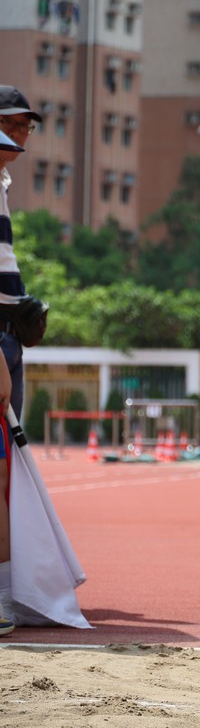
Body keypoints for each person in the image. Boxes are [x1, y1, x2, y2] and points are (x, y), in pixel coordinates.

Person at [0, 86, 42, 638]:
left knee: (7, 472)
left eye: (27, 125)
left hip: (9, 338)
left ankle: (11, 591)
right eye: (12, 123)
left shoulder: (3, 184)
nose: (22, 132)